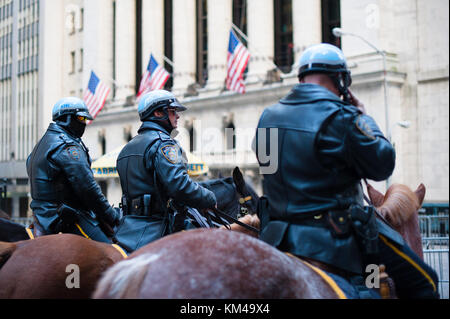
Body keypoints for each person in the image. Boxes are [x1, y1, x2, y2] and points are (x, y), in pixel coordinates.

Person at [254, 43, 439, 299]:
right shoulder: (343, 116)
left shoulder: (268, 116)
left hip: (277, 235)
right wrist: (364, 117)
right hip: (334, 238)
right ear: (342, 80)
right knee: (425, 282)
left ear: (301, 78)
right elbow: (383, 164)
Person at [114, 90, 217, 252]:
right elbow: (180, 186)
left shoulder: (126, 148)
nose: (177, 116)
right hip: (157, 227)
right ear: (158, 113)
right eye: (172, 111)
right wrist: (209, 198)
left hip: (127, 225)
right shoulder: (164, 144)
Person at [26, 97, 121, 242]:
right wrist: (111, 215)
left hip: (42, 215)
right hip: (65, 218)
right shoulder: (67, 146)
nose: (84, 123)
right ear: (67, 118)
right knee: (112, 252)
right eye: (81, 118)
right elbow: (88, 188)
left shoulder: (44, 142)